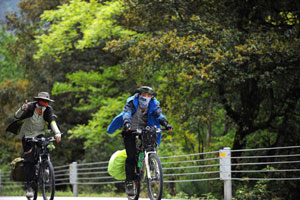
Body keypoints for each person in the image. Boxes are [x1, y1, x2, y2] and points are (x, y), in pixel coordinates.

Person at [107, 86, 173, 195]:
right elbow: (127, 113)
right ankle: (129, 182)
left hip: (145, 129)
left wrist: (166, 124)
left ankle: (147, 161)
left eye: (148, 96)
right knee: (131, 156)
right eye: (144, 95)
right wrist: (127, 123)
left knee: (149, 146)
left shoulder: (153, 104)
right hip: (130, 129)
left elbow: (159, 115)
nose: (146, 97)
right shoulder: (132, 103)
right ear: (139, 95)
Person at [6, 92, 62, 198]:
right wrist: (22, 108)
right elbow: (16, 116)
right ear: (38, 100)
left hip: (39, 134)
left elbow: (52, 121)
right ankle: (29, 186)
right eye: (42, 101)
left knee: (46, 146)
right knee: (29, 160)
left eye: (46, 101)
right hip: (27, 134)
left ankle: (45, 166)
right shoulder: (30, 107)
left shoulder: (48, 109)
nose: (44, 103)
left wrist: (57, 133)